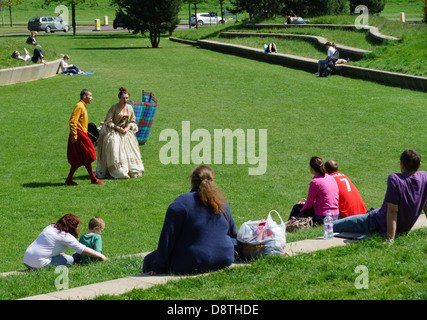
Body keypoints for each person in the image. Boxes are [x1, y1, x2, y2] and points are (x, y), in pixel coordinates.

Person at [143, 165, 238, 275]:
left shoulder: (181, 203)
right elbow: (233, 233)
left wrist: (158, 267)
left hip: (194, 261)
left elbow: (167, 240)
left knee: (149, 260)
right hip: (225, 257)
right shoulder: (221, 202)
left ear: (192, 181)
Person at [333, 150, 427, 244]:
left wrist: (390, 239)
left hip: (375, 222)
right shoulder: (424, 177)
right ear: (419, 165)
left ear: (402, 164)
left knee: (331, 226)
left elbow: (392, 211)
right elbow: (426, 205)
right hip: (385, 218)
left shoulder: (395, 179)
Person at [23, 214, 107, 269]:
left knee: (65, 256)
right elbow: (83, 249)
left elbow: (48, 246)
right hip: (37, 264)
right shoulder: (65, 236)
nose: (77, 229)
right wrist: (101, 256)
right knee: (70, 259)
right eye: (76, 226)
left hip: (26, 260)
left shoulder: (50, 227)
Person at [95, 87, 144, 179]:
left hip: (126, 132)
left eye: (126, 98)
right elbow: (108, 121)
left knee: (136, 168)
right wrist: (118, 128)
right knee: (113, 144)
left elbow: (133, 121)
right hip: (115, 132)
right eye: (123, 98)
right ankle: (118, 169)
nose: (125, 100)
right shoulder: (114, 107)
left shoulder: (129, 108)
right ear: (119, 98)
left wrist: (127, 128)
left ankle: (132, 169)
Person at [66, 89, 104, 185]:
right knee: (90, 155)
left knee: (82, 157)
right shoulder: (79, 106)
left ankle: (71, 179)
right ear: (84, 96)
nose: (91, 98)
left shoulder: (83, 106)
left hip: (82, 134)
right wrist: (74, 135)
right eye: (90, 96)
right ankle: (93, 179)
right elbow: (72, 121)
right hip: (79, 135)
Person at [289, 156, 339, 223]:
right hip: (335, 214)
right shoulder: (331, 178)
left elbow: (309, 205)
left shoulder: (315, 181)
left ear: (311, 168)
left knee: (297, 207)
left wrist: (301, 210)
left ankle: (288, 225)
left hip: (323, 216)